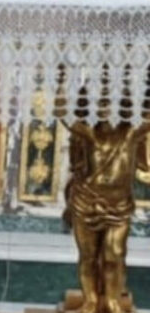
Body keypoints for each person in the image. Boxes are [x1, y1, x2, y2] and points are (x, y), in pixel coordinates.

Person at [64, 120, 150, 313]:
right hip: (87, 202)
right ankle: (90, 300)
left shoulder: (130, 134)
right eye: (102, 104)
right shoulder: (89, 134)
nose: (107, 109)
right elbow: (63, 114)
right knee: (88, 257)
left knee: (115, 254)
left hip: (119, 205)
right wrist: (61, 89)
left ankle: (113, 300)